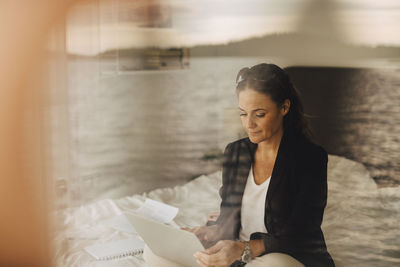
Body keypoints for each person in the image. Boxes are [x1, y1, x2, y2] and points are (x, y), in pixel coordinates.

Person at [143, 63, 335, 267]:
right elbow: (228, 216)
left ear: (284, 107)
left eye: (259, 114)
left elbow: (302, 234)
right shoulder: (235, 153)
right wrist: (209, 232)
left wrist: (245, 248)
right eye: (243, 113)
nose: (248, 124)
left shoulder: (310, 158)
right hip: (235, 253)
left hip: (281, 256)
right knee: (154, 250)